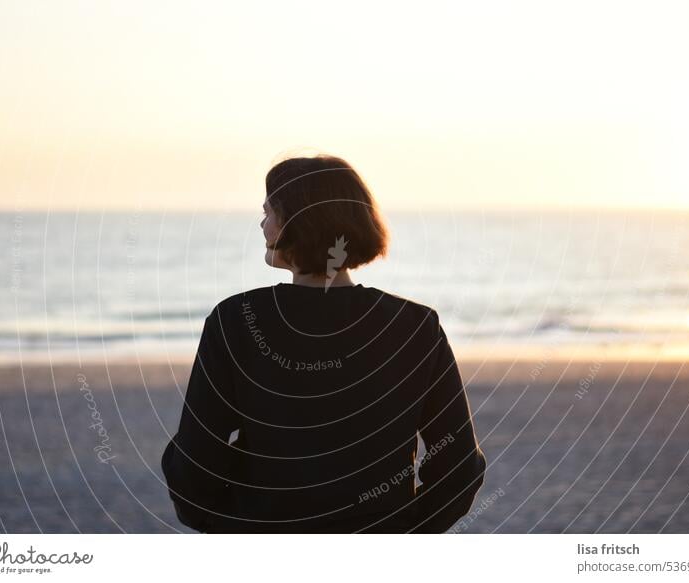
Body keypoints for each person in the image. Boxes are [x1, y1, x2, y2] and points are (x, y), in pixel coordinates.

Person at [161, 154, 486, 533]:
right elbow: (459, 466)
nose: (262, 224)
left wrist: (231, 527)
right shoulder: (415, 325)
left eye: (269, 212)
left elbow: (194, 463)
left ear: (297, 221)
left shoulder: (235, 321)